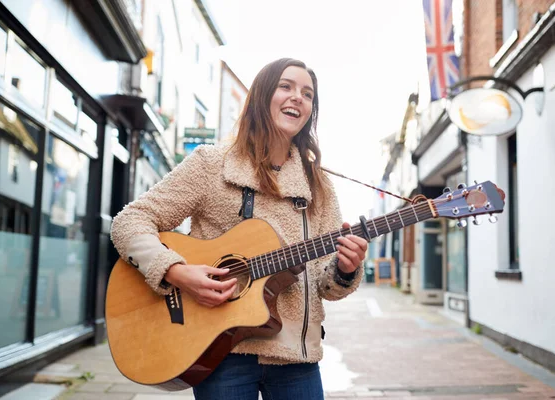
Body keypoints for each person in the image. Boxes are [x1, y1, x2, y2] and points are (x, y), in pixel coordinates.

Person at [110, 58, 368, 400]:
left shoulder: (318, 186)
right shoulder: (210, 165)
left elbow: (326, 286)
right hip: (219, 353)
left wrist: (345, 270)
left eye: (307, 94)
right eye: (286, 87)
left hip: (296, 355)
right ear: (261, 95)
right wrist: (175, 271)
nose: (297, 98)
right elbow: (129, 221)